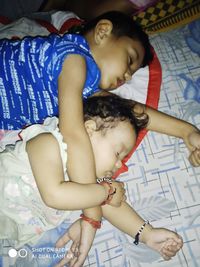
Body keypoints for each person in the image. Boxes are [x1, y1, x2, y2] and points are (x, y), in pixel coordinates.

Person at [0, 95, 183, 267]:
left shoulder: (91, 186)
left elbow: (107, 205)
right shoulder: (48, 142)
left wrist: (147, 234)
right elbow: (55, 195)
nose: (119, 164)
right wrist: (106, 192)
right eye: (118, 153)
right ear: (89, 130)